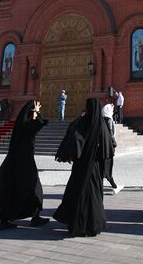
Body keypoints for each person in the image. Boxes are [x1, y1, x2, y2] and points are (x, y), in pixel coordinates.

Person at [0, 100, 49, 230]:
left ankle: (9, 219)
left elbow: (35, 124)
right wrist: (36, 112)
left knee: (15, 189)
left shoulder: (21, 125)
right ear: (30, 114)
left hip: (16, 161)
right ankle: (34, 218)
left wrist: (34, 112)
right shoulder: (27, 126)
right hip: (24, 162)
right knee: (34, 188)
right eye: (33, 112)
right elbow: (40, 123)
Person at [53, 98, 112, 236]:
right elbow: (107, 147)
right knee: (93, 195)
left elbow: (74, 140)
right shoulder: (101, 124)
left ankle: (76, 221)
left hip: (80, 166)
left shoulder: (80, 122)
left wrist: (71, 155)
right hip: (94, 167)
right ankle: (92, 223)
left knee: (77, 192)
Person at [101, 97, 124, 194]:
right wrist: (114, 144)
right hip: (108, 147)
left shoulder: (101, 120)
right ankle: (114, 186)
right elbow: (110, 134)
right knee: (107, 167)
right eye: (111, 110)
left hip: (102, 147)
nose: (113, 111)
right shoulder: (109, 120)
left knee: (103, 168)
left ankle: (104, 186)